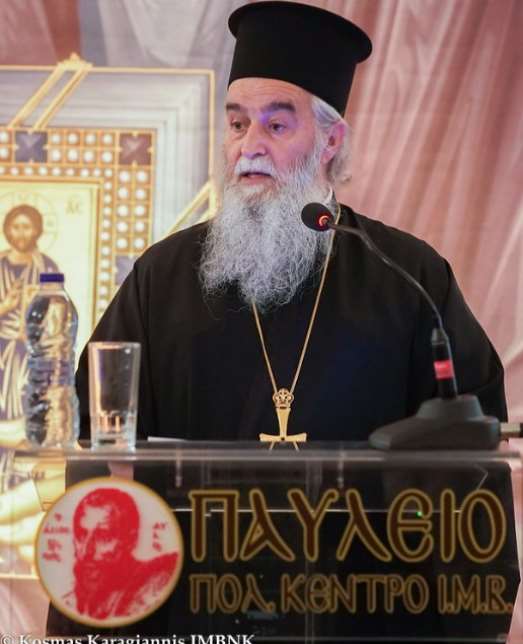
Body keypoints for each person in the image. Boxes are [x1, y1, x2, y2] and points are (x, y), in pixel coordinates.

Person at [76, 1, 507, 443]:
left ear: (330, 140)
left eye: (276, 126)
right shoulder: (161, 278)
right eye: (238, 124)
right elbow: (96, 426)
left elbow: (471, 439)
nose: (249, 147)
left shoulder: (410, 278)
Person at [63, 487, 178, 621]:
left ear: (130, 540)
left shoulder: (152, 587)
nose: (87, 550)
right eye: (81, 534)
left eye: (104, 537)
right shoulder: (69, 602)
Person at [0, 204, 58, 430]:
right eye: (16, 227)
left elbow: (57, 314)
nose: (21, 233)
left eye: (26, 227)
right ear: (7, 230)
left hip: (33, 347)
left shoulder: (47, 267)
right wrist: (6, 306)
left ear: (37, 230)